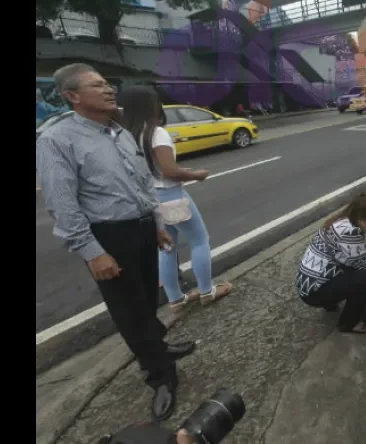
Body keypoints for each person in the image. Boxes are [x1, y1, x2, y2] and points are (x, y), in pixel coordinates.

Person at [36, 64, 196, 421]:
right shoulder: (56, 140)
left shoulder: (119, 131)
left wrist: (156, 225)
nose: (109, 90)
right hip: (109, 236)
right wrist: (93, 253)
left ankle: (160, 347)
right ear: (72, 96)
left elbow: (142, 184)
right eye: (97, 86)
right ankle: (160, 377)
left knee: (145, 300)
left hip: (141, 228)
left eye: (108, 84)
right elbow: (62, 205)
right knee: (129, 311)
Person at [117, 86, 233, 315]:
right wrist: (195, 175)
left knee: (166, 247)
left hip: (148, 199)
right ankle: (207, 292)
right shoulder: (156, 132)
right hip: (170, 195)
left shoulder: (123, 135)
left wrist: (179, 170)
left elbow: (153, 169)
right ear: (150, 106)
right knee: (200, 241)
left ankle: (176, 299)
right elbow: (169, 171)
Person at [295, 193, 366, 333]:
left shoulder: (342, 220)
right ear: (361, 219)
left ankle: (330, 303)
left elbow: (364, 254)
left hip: (306, 284)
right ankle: (349, 323)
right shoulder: (350, 234)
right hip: (313, 293)